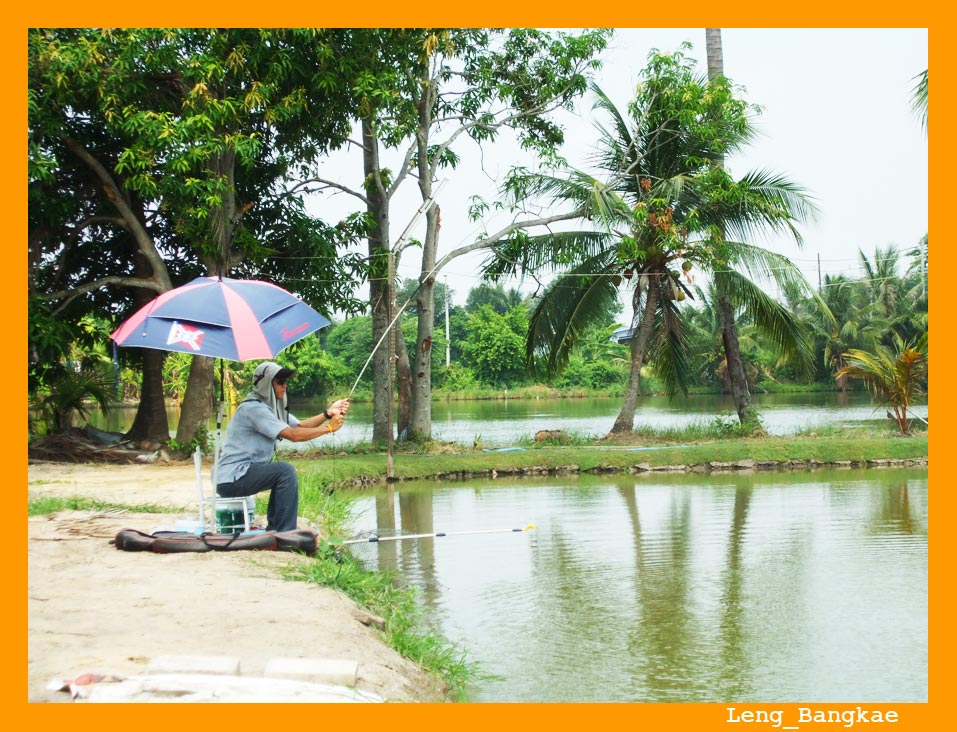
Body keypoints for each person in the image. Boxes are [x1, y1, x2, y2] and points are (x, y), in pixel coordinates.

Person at [215, 361, 350, 532]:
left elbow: (299, 427)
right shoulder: (254, 409)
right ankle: (283, 531)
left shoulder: (271, 409)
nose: (285, 386)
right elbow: (293, 436)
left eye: (286, 382)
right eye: (280, 382)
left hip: (241, 474)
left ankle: (277, 528)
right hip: (232, 477)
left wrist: (328, 413)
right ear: (265, 383)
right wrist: (329, 428)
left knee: (283, 471)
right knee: (284, 472)